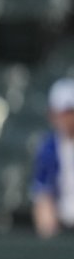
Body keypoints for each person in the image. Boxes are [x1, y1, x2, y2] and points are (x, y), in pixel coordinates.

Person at [31, 78, 74, 239]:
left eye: (69, 112)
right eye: (61, 112)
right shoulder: (49, 147)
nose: (65, 117)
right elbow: (43, 193)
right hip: (63, 224)